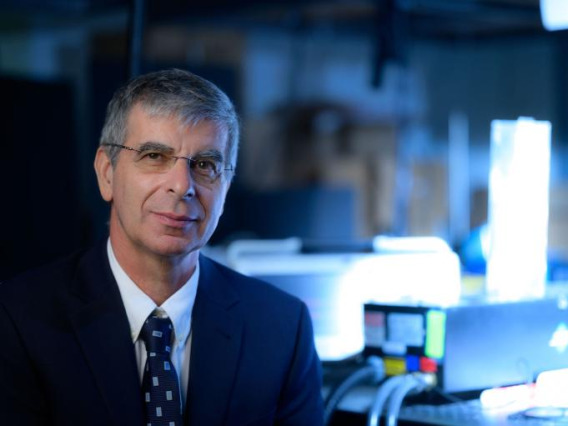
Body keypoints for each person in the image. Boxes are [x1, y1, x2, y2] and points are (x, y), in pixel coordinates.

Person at [0, 69, 324, 426]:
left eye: (205, 165)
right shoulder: (19, 322)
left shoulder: (281, 329)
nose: (181, 185)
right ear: (107, 174)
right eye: (155, 156)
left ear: (226, 187)